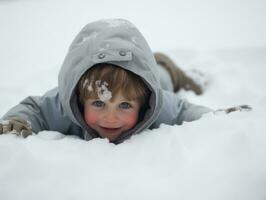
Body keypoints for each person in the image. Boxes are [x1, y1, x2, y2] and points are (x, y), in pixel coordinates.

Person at [0, 19, 247, 144]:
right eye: (98, 103)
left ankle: (186, 74)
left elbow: (185, 110)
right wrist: (18, 121)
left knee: (166, 75)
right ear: (80, 98)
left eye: (125, 105)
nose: (110, 118)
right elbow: (35, 107)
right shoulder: (64, 106)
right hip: (141, 75)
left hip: (161, 77)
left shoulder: (156, 104)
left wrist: (217, 117)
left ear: (144, 103)